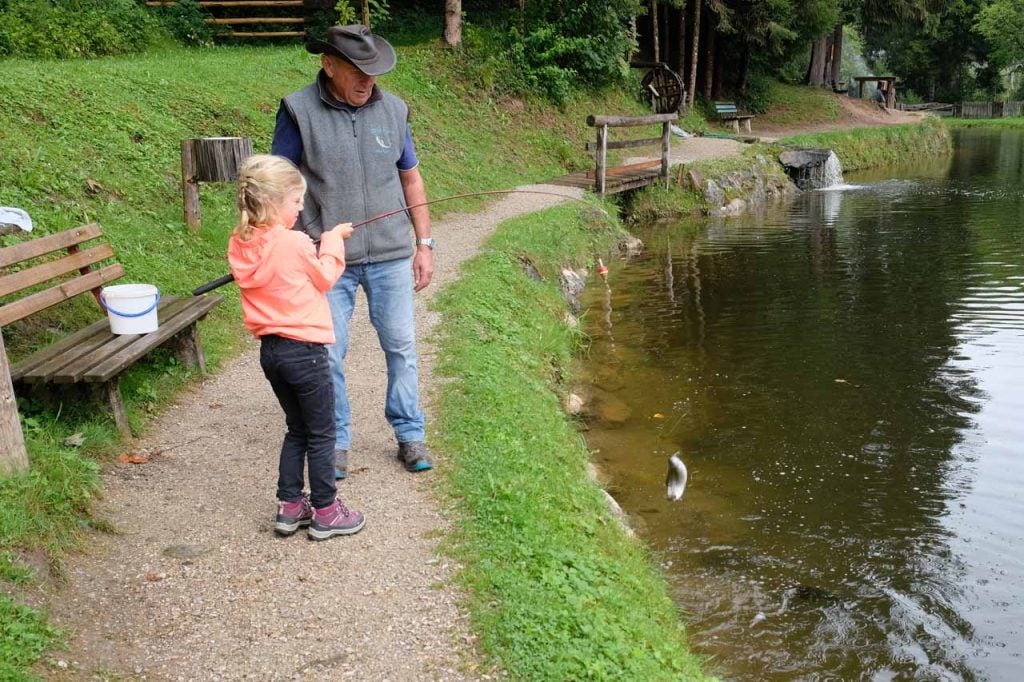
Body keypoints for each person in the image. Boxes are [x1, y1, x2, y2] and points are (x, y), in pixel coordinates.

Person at [272, 24, 435, 478]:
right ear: (328, 65)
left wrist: (424, 243)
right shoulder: (298, 111)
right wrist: (296, 239)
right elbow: (279, 183)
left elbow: (412, 179)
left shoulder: (395, 111)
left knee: (401, 346)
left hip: (389, 254)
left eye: (375, 72)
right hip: (326, 261)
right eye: (358, 71)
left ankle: (409, 433)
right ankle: (337, 440)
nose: (368, 82)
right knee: (328, 352)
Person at [227, 154, 365, 541]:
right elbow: (325, 277)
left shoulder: (241, 242)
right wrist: (334, 241)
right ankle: (326, 512)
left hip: (271, 353)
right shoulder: (296, 241)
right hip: (306, 351)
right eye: (296, 201)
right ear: (273, 203)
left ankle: (290, 507)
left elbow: (282, 261)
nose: (302, 207)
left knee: (297, 429)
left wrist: (313, 244)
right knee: (322, 434)